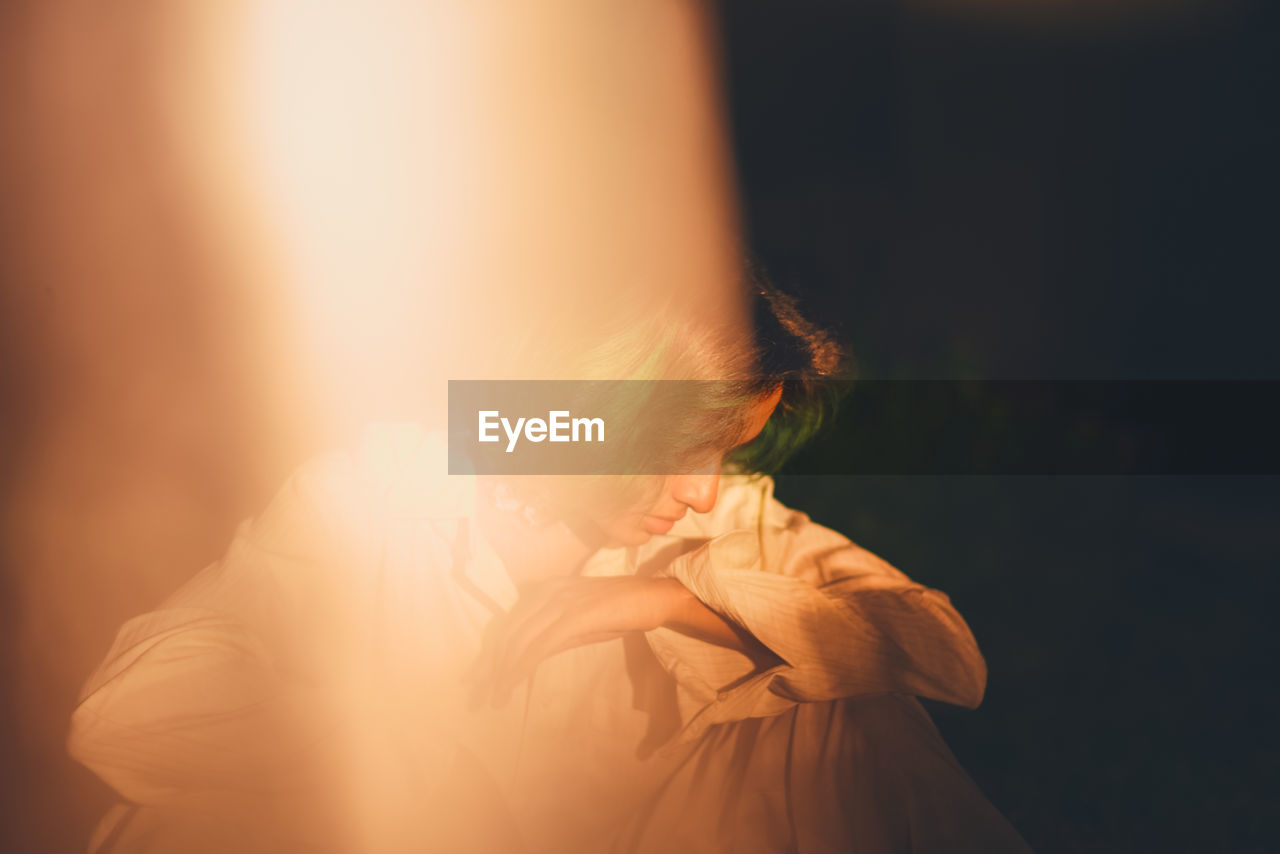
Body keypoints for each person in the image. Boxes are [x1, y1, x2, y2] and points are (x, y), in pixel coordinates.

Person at [68, 281, 1033, 853]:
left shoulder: (726, 522)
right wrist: (361, 706)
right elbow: (121, 732)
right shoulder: (388, 491)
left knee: (852, 700)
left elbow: (946, 652)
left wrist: (663, 597)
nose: (703, 491)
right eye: (683, 449)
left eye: (726, 453)